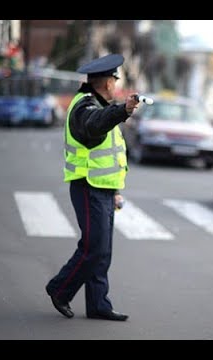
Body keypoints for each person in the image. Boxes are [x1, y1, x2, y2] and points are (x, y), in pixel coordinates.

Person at [45, 54, 140, 321]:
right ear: (107, 82)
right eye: (113, 79)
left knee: (102, 250)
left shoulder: (97, 104)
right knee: (93, 248)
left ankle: (99, 304)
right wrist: (122, 110)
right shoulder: (84, 108)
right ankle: (59, 290)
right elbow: (94, 126)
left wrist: (116, 190)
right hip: (88, 186)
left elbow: (110, 153)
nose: (114, 84)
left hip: (104, 188)